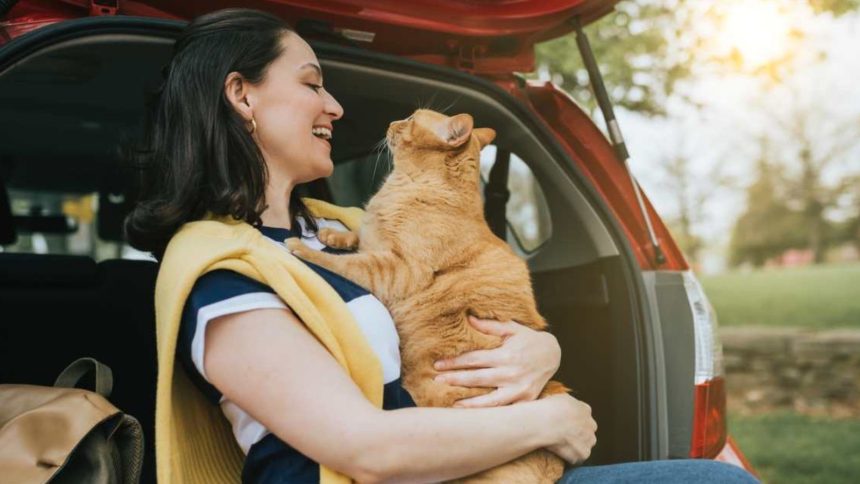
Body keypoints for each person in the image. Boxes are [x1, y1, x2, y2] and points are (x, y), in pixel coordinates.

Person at [125, 8, 757, 484]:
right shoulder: (219, 272)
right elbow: (366, 450)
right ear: (241, 95)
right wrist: (550, 421)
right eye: (313, 84)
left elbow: (454, 286)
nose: (336, 105)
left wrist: (542, 348)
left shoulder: (332, 227)